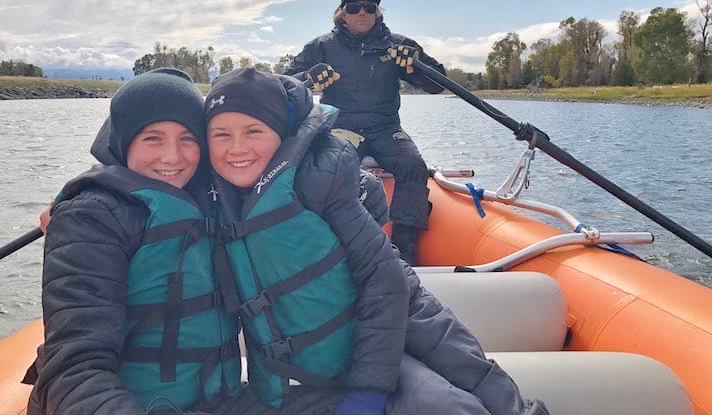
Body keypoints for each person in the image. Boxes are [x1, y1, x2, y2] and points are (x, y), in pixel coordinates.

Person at [204, 67, 548, 415]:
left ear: (281, 132)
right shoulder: (214, 200)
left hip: (405, 308)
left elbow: (384, 278)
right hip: (344, 338)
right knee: (441, 400)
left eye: (254, 131)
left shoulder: (321, 179)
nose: (237, 148)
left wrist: (369, 390)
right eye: (221, 135)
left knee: (469, 381)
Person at [28, 68, 360, 415]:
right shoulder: (91, 218)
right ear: (125, 141)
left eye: (187, 139)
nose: (172, 157)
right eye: (153, 138)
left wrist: (357, 188)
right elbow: (75, 370)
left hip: (219, 400)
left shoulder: (213, 193)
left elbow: (274, 125)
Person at [284, 0, 447, 263]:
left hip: (386, 128)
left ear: (377, 12)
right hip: (341, 125)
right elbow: (284, 86)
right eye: (354, 7)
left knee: (413, 166)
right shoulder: (321, 47)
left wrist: (416, 65)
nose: (362, 12)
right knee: (330, 169)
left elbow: (438, 84)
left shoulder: (399, 47)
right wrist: (307, 78)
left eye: (370, 7)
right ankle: (329, 248)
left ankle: (404, 253)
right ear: (342, 13)